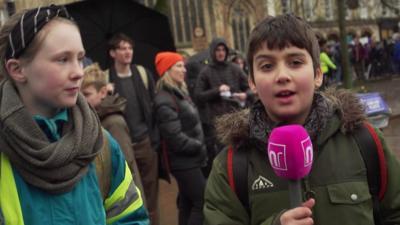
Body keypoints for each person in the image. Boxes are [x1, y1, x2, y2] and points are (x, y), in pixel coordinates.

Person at [203, 14, 400, 225]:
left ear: (318, 74)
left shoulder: (365, 141)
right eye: (267, 66)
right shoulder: (232, 165)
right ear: (251, 81)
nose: (282, 76)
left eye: (295, 62)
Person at [0, 5, 148, 225]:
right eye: (62, 59)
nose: (79, 72)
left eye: (80, 58)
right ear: (17, 69)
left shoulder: (102, 146)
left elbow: (131, 218)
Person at [108, 33, 160, 225]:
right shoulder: (107, 79)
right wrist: (106, 94)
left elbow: (155, 106)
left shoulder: (143, 74)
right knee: (130, 195)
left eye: (129, 47)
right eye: (122, 48)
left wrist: (154, 138)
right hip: (123, 146)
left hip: (145, 141)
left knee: (151, 193)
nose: (127, 52)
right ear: (113, 53)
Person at [153, 52, 207, 225]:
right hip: (183, 161)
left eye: (183, 65)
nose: (184, 69)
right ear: (167, 71)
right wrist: (198, 145)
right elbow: (174, 138)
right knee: (202, 201)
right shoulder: (164, 99)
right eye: (179, 66)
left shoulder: (178, 93)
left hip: (189, 158)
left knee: (187, 203)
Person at [82, 63, 145, 197]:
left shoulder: (113, 122)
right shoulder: (95, 118)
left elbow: (125, 165)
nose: (81, 99)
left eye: (87, 94)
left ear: (103, 92)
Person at [194, 37, 251, 176]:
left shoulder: (235, 69)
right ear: (213, 52)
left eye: (223, 50)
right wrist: (217, 90)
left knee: (242, 155)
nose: (220, 53)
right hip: (218, 121)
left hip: (238, 118)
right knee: (224, 158)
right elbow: (198, 96)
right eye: (218, 50)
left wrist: (245, 95)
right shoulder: (206, 71)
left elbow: (250, 87)